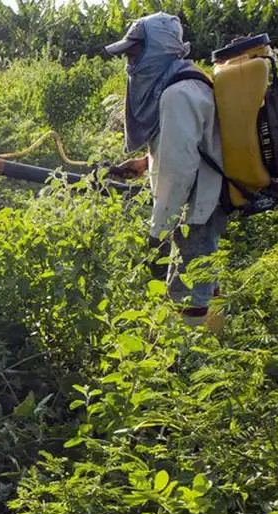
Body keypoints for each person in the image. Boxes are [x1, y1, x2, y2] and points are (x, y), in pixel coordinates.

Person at [104, 12, 226, 330]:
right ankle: (218, 343)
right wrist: (146, 164)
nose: (130, 62)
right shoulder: (181, 80)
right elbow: (186, 144)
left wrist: (157, 232)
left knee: (186, 287)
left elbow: (178, 172)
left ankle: (192, 361)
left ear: (158, 49)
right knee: (203, 271)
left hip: (199, 202)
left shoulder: (177, 93)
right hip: (202, 194)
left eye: (134, 53)